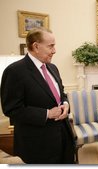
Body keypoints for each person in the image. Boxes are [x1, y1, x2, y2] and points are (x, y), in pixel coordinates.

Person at [0, 27, 75, 164]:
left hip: (64, 137)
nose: (55, 50)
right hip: (38, 145)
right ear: (36, 46)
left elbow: (61, 93)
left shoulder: (53, 68)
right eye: (51, 46)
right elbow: (11, 109)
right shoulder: (14, 71)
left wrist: (65, 104)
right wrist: (47, 114)